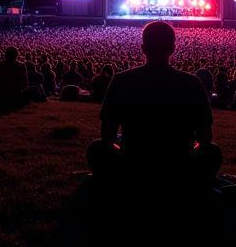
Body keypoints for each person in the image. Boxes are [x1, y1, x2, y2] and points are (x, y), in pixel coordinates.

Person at [88, 20, 221, 191]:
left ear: (143, 48)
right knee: (212, 151)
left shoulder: (122, 80)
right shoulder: (192, 83)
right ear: (173, 49)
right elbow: (205, 137)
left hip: (133, 163)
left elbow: (107, 135)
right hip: (181, 164)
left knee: (97, 148)